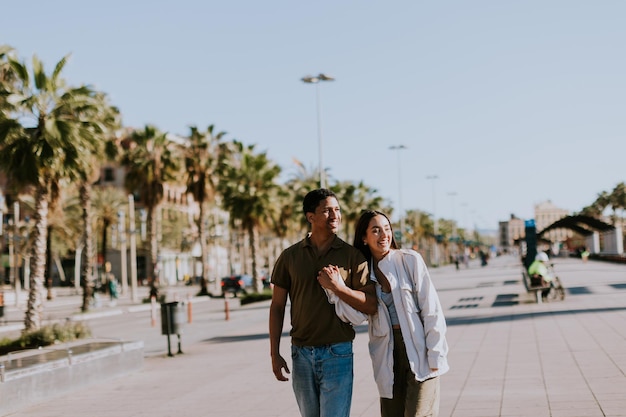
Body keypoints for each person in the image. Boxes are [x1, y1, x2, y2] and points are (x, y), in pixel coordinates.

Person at [325, 210, 449, 417]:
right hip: (387, 354)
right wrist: (336, 289)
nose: (384, 235)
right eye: (376, 230)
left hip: (419, 349)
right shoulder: (364, 274)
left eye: (387, 229)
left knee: (419, 413)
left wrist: (435, 354)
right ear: (364, 238)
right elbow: (356, 317)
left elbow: (431, 310)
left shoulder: (409, 261)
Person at [269, 188, 377, 417]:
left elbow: (371, 304)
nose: (335, 215)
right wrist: (274, 353)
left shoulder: (352, 255)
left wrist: (338, 288)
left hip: (338, 352)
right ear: (311, 217)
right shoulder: (290, 256)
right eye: (327, 211)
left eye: (337, 210)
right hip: (301, 354)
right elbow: (277, 307)